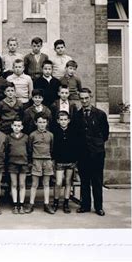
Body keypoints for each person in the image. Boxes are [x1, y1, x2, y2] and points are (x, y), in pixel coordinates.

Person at [73, 88, 109, 216]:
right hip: (82, 154)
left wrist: (96, 145)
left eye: (86, 98)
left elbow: (105, 135)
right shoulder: (77, 116)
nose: (84, 101)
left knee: (97, 181)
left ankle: (98, 207)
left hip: (97, 153)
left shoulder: (100, 114)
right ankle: (85, 206)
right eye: (81, 98)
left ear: (91, 97)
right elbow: (75, 136)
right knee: (84, 181)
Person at [25, 113, 55, 214]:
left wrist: (49, 159)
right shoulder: (32, 135)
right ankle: (31, 204)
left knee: (46, 183)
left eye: (44, 122)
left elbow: (51, 148)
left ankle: (46, 204)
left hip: (47, 160)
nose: (42, 124)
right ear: (36, 123)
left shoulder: (50, 135)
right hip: (36, 160)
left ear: (47, 123)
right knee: (34, 184)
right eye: (40, 122)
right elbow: (29, 149)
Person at [52, 111, 79, 214]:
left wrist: (75, 160)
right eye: (61, 120)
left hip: (70, 161)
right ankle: (55, 202)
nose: (63, 122)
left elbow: (76, 146)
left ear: (68, 120)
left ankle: (66, 203)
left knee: (68, 182)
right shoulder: (55, 132)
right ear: (58, 121)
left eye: (65, 120)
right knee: (58, 182)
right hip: (59, 161)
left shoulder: (73, 131)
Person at [5, 119, 29, 214]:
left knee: (22, 184)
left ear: (22, 127)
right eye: (15, 125)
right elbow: (6, 150)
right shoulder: (8, 137)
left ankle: (21, 205)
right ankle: (15, 205)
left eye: (19, 126)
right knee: (14, 184)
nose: (17, 127)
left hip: (23, 163)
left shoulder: (26, 137)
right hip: (12, 163)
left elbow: (29, 149)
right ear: (12, 126)